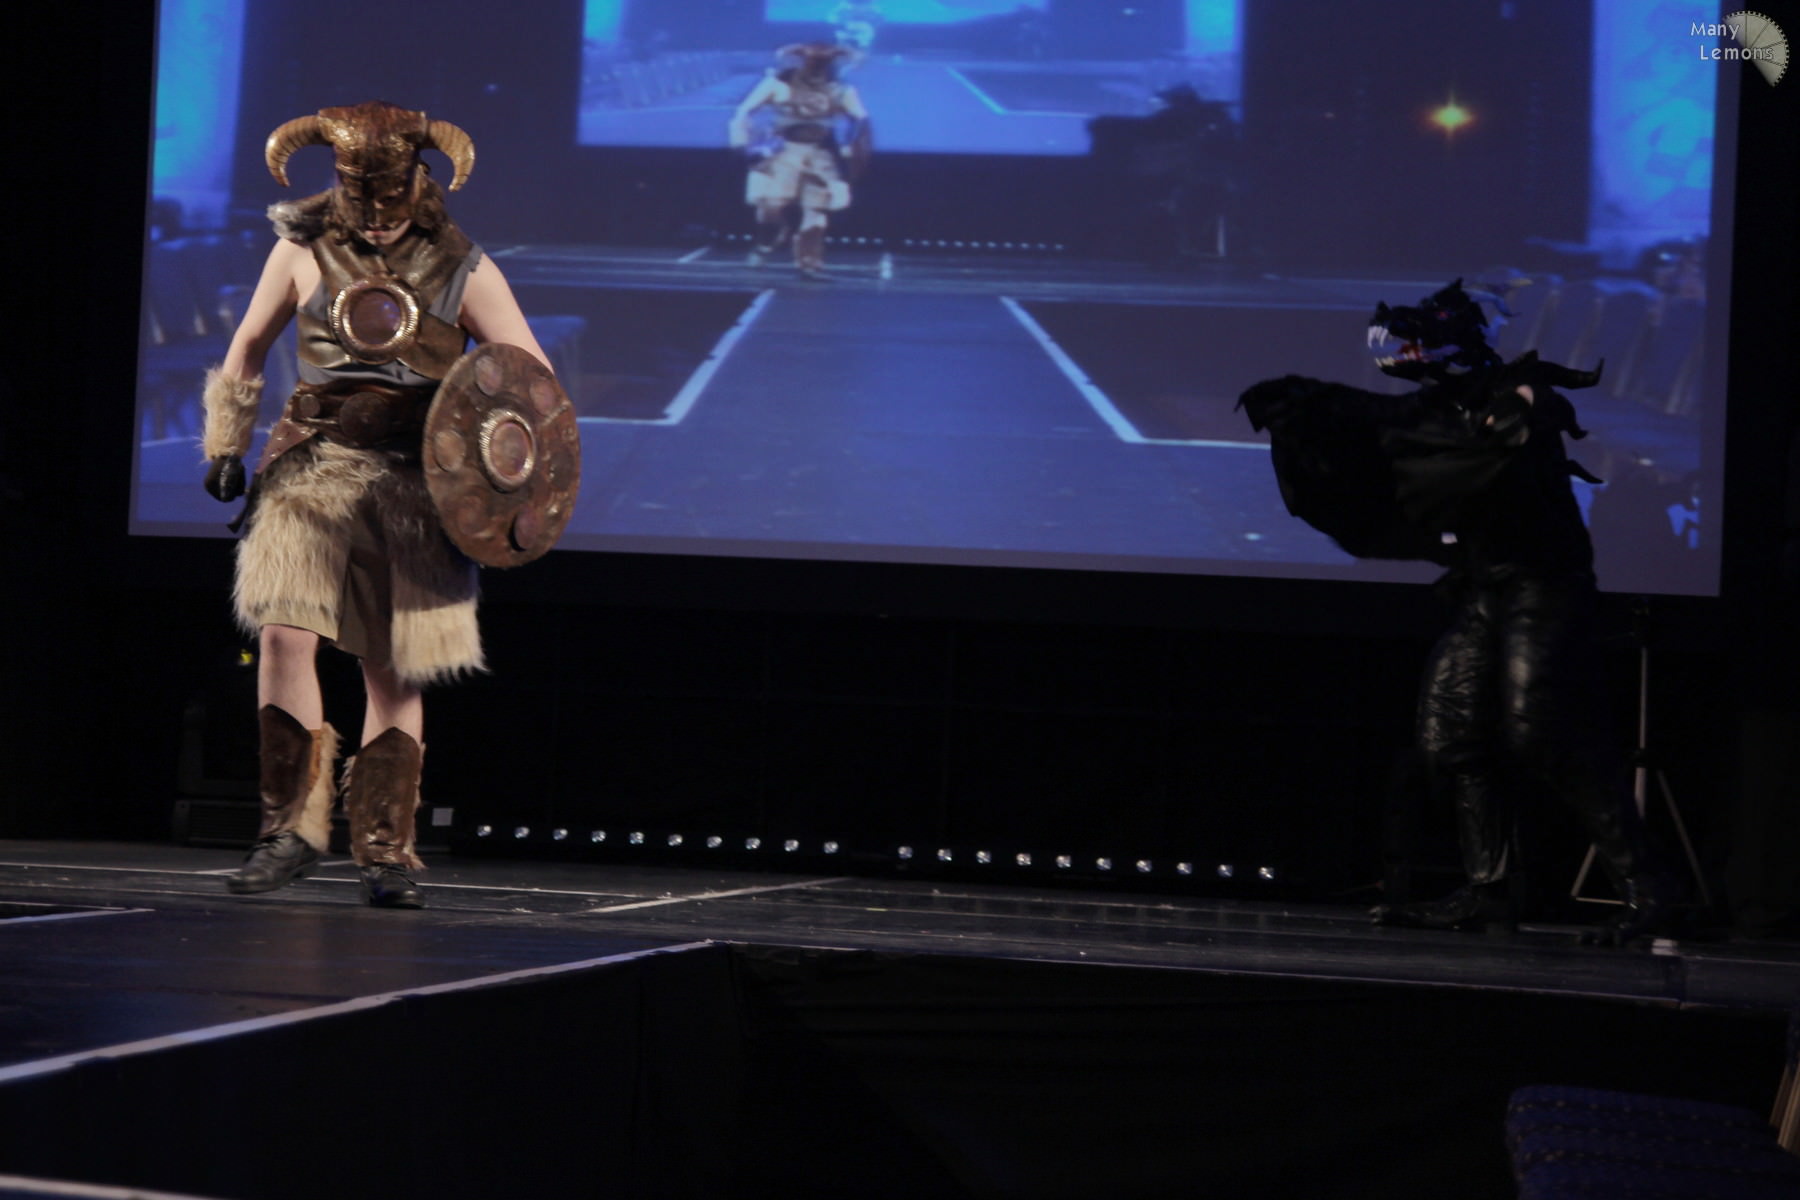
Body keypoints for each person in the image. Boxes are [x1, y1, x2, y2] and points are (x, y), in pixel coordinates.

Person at [1239, 280, 1681, 945]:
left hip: (1544, 586)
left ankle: (1649, 891)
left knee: (1542, 734)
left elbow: (1488, 445)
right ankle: (1490, 893)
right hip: (1482, 589)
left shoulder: (1521, 392)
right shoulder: (1432, 408)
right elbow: (1397, 433)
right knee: (1450, 735)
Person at [200, 101, 554, 908]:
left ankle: (385, 850)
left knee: (393, 664)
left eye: (391, 196)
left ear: (417, 183)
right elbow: (248, 344)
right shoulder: (302, 249)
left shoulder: (463, 266)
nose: (378, 215)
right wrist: (227, 442)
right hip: (311, 467)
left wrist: (504, 478)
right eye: (362, 197)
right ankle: (288, 832)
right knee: (284, 634)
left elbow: (526, 374)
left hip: (414, 480)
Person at [728, 43, 871, 280]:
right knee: (771, 205)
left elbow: (860, 119)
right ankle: (767, 240)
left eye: (823, 63)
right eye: (814, 62)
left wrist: (851, 145)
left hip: (821, 154)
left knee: (816, 210)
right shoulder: (778, 84)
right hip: (783, 152)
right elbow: (745, 111)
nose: (818, 68)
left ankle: (809, 262)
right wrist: (742, 143)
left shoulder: (841, 90)